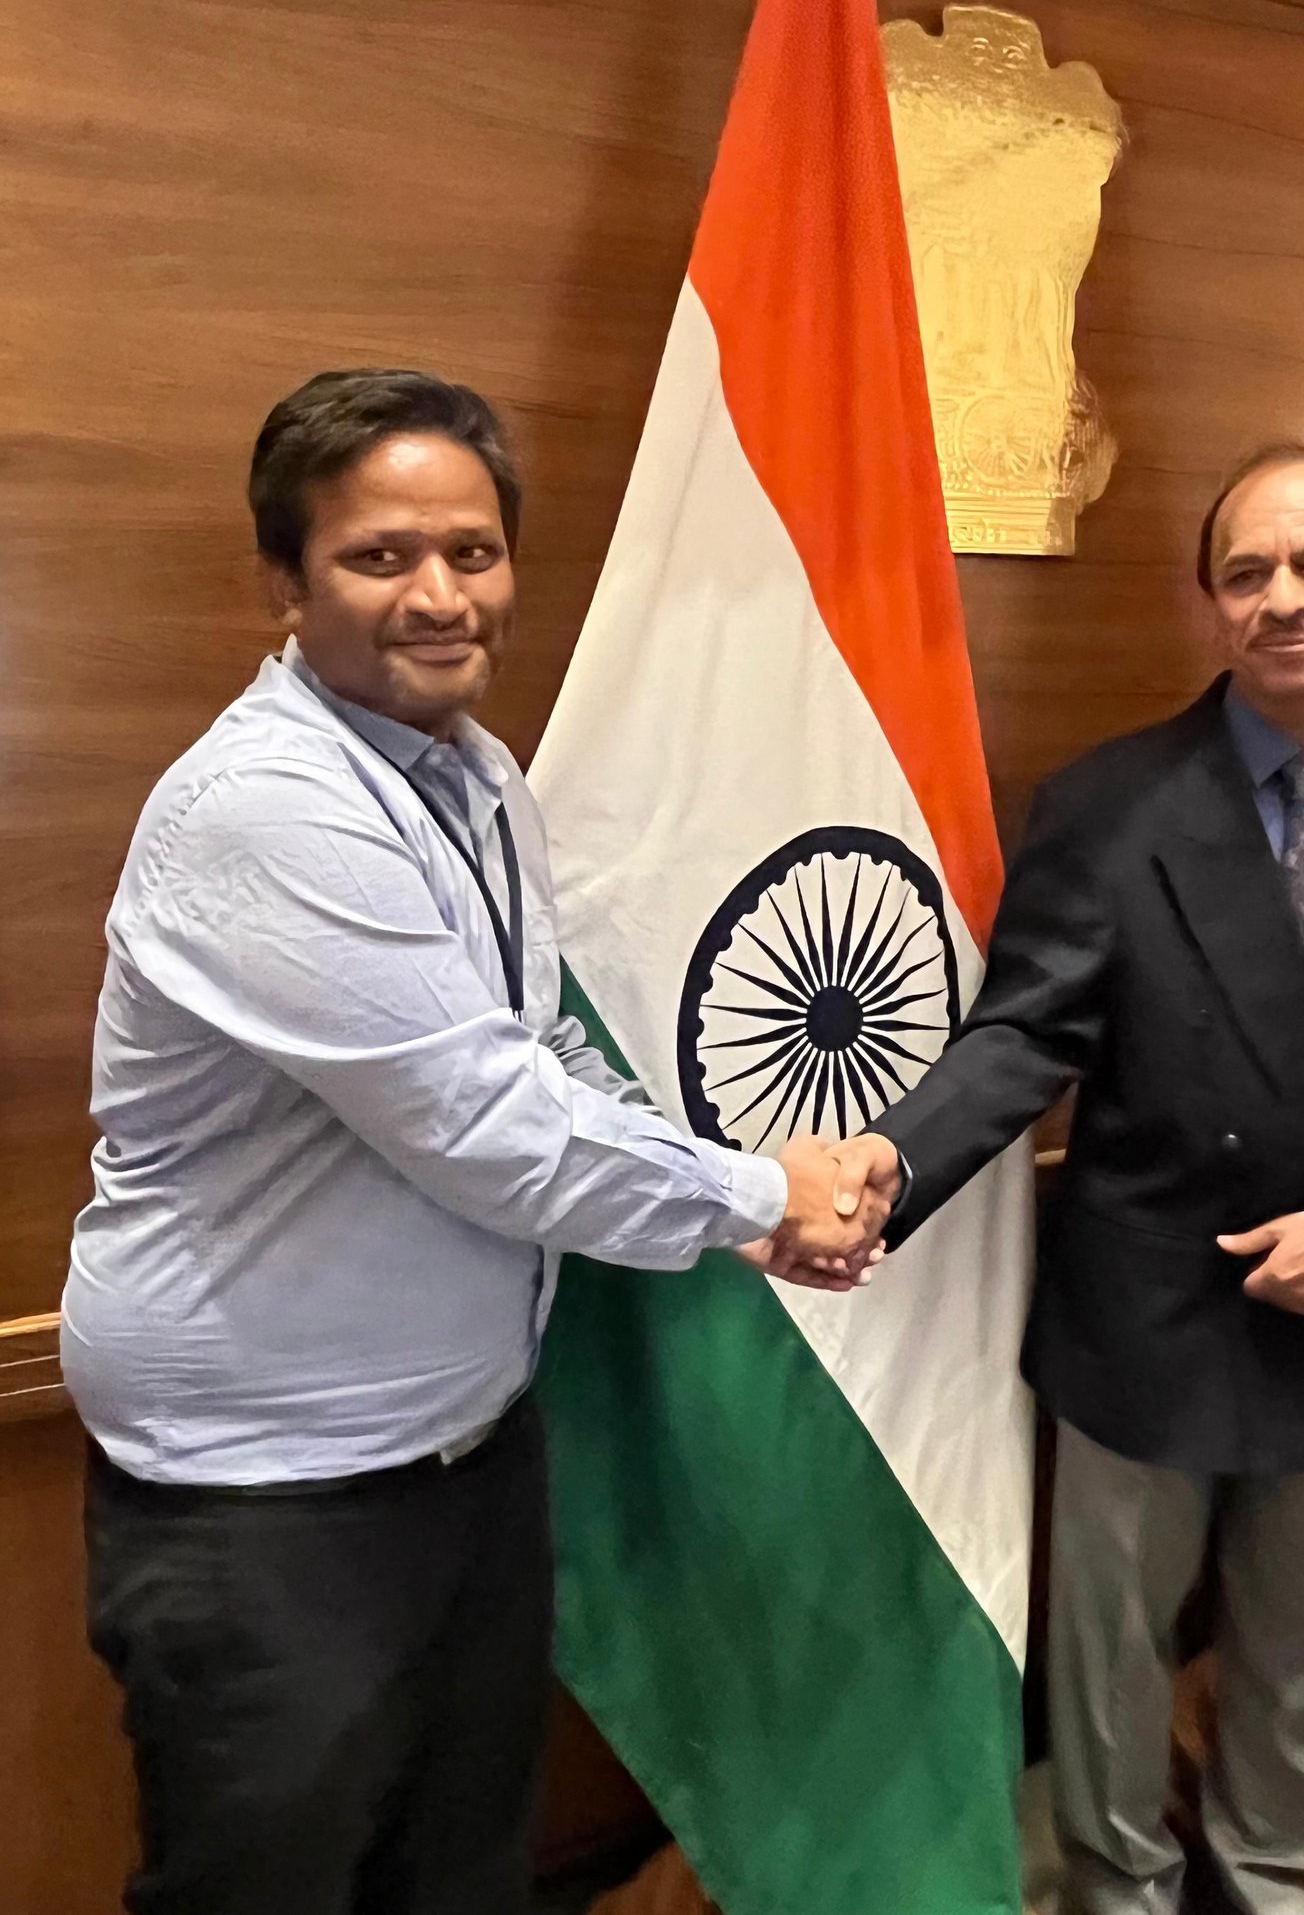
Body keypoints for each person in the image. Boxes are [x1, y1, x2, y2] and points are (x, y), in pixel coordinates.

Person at [62, 368, 885, 1915]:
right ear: (285, 584)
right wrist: (761, 1191)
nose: (440, 595)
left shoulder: (476, 772)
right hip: (271, 1503)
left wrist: (741, 1203)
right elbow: (485, 1125)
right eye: (380, 556)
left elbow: (535, 1054)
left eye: (473, 550)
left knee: (463, 1873)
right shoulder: (268, 808)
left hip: (465, 1456)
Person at [834, 443, 1304, 1915]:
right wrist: (896, 1157)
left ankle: (1270, 1881)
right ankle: (1120, 1891)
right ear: (1209, 602)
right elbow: (1025, 1029)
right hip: (1144, 1307)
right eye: (1247, 572)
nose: (1286, 599)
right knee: (1109, 1658)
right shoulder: (1109, 802)